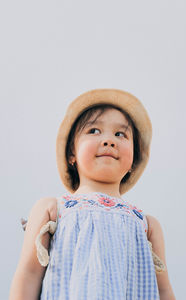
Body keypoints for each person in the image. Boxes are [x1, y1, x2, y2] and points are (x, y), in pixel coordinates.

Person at [9, 89, 176, 300]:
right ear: (72, 153)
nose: (109, 140)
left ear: (134, 160)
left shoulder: (147, 225)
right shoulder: (53, 209)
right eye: (94, 131)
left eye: (120, 134)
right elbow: (29, 274)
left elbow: (163, 290)